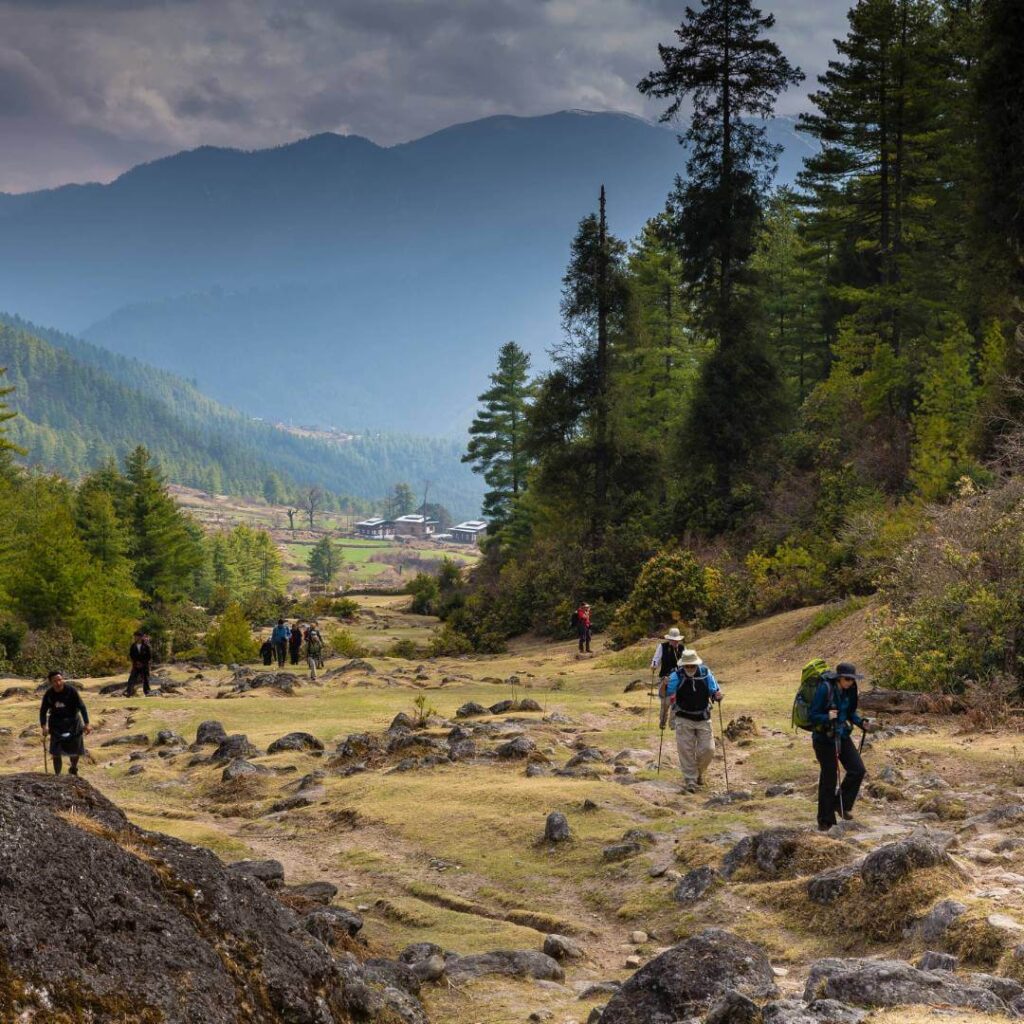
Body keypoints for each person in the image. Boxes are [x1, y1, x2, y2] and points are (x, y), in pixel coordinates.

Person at [809, 661, 874, 831]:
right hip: (824, 738)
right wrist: (827, 717)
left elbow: (850, 712)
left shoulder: (851, 689)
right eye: (847, 679)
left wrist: (861, 722)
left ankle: (841, 804)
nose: (850, 682)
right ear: (838, 678)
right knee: (829, 778)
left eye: (852, 679)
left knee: (857, 769)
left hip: (841, 734)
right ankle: (825, 821)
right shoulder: (825, 688)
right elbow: (813, 714)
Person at [660, 649, 722, 793]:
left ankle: (698, 773)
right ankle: (690, 780)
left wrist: (717, 695)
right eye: (686, 666)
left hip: (703, 717)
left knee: (709, 749)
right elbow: (664, 694)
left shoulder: (706, 673)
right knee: (686, 750)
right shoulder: (676, 675)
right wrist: (664, 684)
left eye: (692, 666)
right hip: (683, 717)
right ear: (683, 666)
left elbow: (714, 691)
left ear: (696, 664)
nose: (689, 669)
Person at [39, 671, 91, 776]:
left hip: (73, 722)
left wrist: (87, 723)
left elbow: (82, 707)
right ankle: (57, 775)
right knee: (56, 752)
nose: (58, 683)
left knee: (75, 750)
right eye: (55, 681)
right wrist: (44, 726)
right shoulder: (49, 694)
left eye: (60, 680)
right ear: (50, 682)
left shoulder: (71, 691)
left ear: (62, 679)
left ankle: (73, 768)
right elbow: (43, 711)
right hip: (56, 724)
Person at [651, 627, 686, 725]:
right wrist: (654, 665)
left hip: (678, 678)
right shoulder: (662, 647)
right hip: (665, 677)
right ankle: (662, 721)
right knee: (665, 702)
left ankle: (673, 723)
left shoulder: (682, 648)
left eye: (677, 640)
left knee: (676, 700)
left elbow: (686, 661)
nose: (676, 642)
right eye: (674, 640)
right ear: (669, 639)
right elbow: (656, 659)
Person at [126, 630, 152, 697]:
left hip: (144, 665)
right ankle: (128, 692)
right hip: (136, 665)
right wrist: (136, 662)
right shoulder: (133, 646)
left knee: (145, 679)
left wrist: (142, 663)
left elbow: (149, 656)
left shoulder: (146, 646)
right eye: (134, 636)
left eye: (136, 636)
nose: (135, 638)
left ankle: (147, 692)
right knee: (132, 679)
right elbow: (131, 655)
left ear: (140, 637)